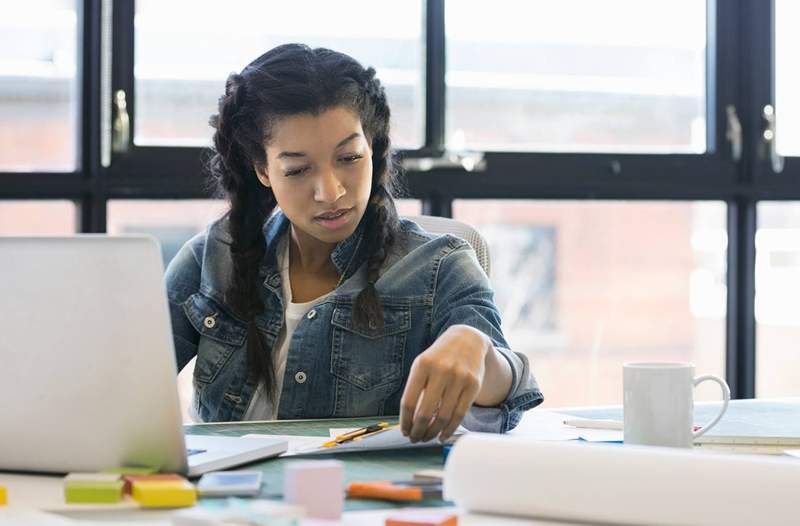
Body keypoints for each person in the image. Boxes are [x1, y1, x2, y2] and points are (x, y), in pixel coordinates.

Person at [165, 43, 543, 443]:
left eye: (348, 158)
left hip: (362, 499)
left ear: (373, 148)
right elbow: (123, 384)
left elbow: (507, 406)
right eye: (297, 170)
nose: (329, 192)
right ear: (262, 169)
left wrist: (476, 347)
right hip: (224, 498)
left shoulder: (439, 266)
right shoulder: (214, 256)